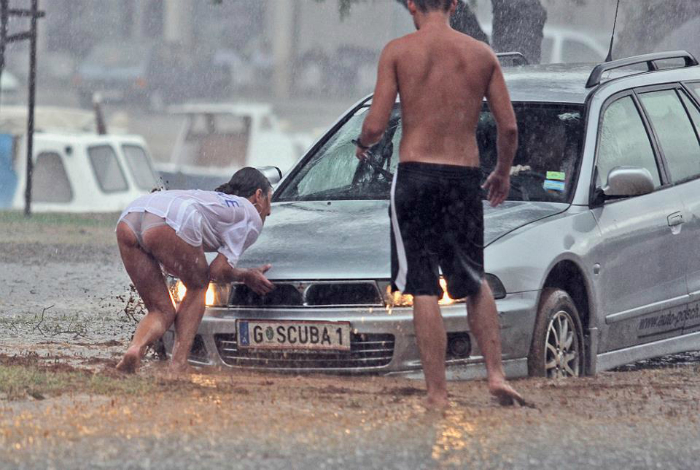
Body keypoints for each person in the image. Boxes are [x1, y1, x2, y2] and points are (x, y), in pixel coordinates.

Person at [356, 0, 524, 409]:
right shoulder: (481, 55)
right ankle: (497, 375)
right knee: (473, 279)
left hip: (415, 177)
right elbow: (509, 126)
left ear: (411, 3)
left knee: (424, 285)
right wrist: (501, 172)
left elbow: (377, 123)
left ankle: (438, 394)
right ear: (453, 4)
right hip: (463, 179)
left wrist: (362, 145)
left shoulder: (398, 51)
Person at [115, 167, 275, 374]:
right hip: (169, 219)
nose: (269, 211)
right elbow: (218, 271)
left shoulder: (217, 200)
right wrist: (245, 276)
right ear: (258, 196)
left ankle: (135, 349)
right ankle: (179, 363)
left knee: (160, 310)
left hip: (131, 215)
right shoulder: (251, 214)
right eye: (269, 201)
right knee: (199, 285)